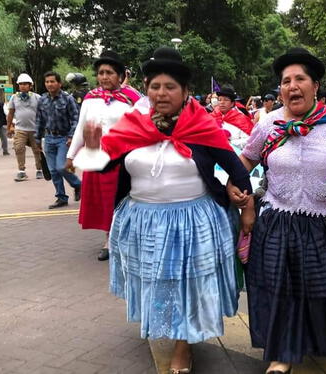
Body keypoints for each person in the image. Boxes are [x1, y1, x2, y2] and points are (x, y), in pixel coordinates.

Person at [75, 46, 254, 373]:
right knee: (158, 284)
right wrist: (90, 146)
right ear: (146, 89)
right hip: (143, 221)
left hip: (192, 222)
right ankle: (168, 329)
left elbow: (238, 170)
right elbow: (102, 165)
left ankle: (183, 348)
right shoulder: (132, 126)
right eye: (155, 86)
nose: (161, 93)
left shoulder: (202, 126)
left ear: (185, 92)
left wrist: (245, 204)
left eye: (170, 87)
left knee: (186, 285)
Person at [228, 47, 326, 374]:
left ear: (315, 85)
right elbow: (244, 162)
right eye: (285, 81)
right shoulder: (269, 123)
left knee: (322, 289)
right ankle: (282, 354)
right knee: (281, 289)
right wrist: (239, 194)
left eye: (299, 79)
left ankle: (318, 341)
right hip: (279, 221)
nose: (292, 86)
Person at [66, 50, 142, 261]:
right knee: (104, 202)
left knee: (125, 200)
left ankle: (128, 236)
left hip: (125, 159)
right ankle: (109, 239)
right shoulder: (90, 99)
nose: (104, 77)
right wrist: (71, 157)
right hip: (97, 158)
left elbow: (142, 128)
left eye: (109, 72)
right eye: (101, 72)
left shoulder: (133, 100)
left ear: (120, 76)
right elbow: (82, 128)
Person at [35, 71, 81, 209]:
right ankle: (61, 197)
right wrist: (37, 139)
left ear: (59, 83)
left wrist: (72, 136)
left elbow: (75, 118)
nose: (49, 84)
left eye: (52, 81)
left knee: (62, 167)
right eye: (47, 82)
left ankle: (78, 185)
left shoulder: (68, 99)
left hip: (64, 138)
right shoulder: (42, 100)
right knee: (53, 170)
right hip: (48, 138)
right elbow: (39, 120)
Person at [7, 74, 43, 180]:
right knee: (18, 148)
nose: (23, 86)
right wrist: (8, 127)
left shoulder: (37, 97)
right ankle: (21, 171)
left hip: (35, 129)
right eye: (21, 84)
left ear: (30, 86)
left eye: (25, 84)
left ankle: (39, 170)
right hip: (20, 129)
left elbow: (43, 112)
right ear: (18, 86)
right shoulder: (14, 98)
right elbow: (10, 113)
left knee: (37, 150)